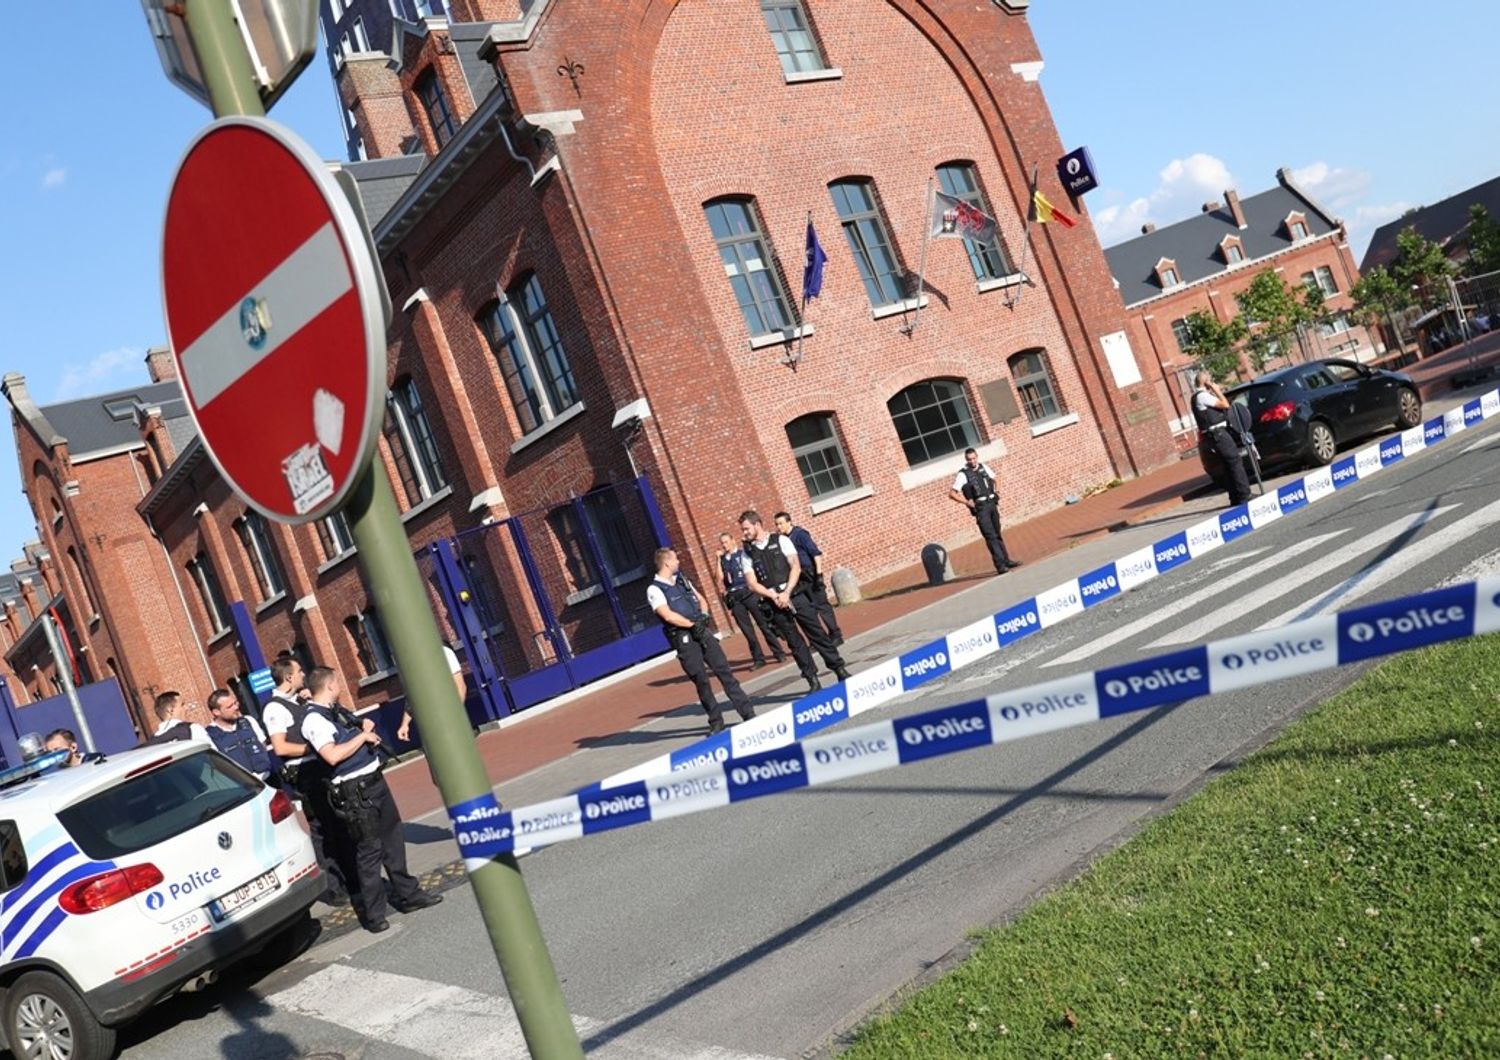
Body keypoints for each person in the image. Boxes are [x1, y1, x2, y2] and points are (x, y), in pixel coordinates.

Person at [299, 666, 441, 933]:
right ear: (329, 685)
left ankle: (408, 894)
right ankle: (374, 914)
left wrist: (362, 729)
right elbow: (331, 755)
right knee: (369, 852)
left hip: (374, 782)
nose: (339, 686)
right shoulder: (314, 720)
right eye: (337, 682)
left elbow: (347, 737)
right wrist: (362, 737)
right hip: (356, 793)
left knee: (393, 839)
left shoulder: (334, 711)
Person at [263, 657, 349, 906]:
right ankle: (332, 887)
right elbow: (280, 747)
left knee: (335, 824)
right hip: (305, 777)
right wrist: (313, 748)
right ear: (288, 677)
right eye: (300, 671)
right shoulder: (275, 708)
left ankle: (347, 877)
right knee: (322, 830)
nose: (303, 675)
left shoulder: (298, 701)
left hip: (319, 771)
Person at [648, 548, 757, 735]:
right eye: (675, 559)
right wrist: (691, 625)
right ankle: (716, 721)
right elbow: (667, 615)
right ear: (666, 563)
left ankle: (747, 713)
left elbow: (701, 599)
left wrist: (704, 617)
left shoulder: (682, 580)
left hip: (701, 631)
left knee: (724, 671)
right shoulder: (655, 589)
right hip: (684, 637)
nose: (678, 561)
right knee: (701, 680)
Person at [739, 510, 851, 690]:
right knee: (795, 643)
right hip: (773, 602)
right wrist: (774, 596)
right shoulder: (748, 554)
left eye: (746, 529)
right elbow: (752, 583)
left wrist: (787, 592)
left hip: (795, 595)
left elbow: (795, 567)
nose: (744, 533)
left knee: (817, 633)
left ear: (757, 524)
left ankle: (839, 669)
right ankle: (812, 679)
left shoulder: (781, 540)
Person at [773, 512, 843, 646]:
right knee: (808, 610)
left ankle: (835, 633)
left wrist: (818, 574)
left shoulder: (800, 535)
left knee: (822, 605)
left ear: (789, 522)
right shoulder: (782, 540)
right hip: (798, 577)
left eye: (781, 523)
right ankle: (819, 639)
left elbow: (815, 553)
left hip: (809, 573)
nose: (778, 526)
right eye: (776, 524)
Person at [717, 531, 784, 669]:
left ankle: (778, 652)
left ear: (732, 540)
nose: (724, 545)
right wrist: (718, 560)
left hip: (748, 592)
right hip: (735, 596)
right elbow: (718, 578)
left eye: (726, 542)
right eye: (722, 543)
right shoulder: (723, 560)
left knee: (763, 624)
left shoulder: (743, 554)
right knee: (747, 630)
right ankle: (758, 658)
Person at [949, 448, 1021, 575]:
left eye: (974, 458)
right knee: (990, 536)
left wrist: (997, 491)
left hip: (991, 503)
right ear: (966, 460)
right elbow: (952, 493)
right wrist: (966, 502)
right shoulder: (963, 474)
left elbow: (996, 478)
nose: (972, 461)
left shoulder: (983, 467)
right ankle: (1000, 566)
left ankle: (1006, 560)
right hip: (981, 508)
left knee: (997, 534)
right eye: (969, 459)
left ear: (977, 457)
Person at [1192, 371, 1252, 506]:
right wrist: (1217, 390)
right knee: (1234, 461)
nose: (1213, 383)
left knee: (1227, 465)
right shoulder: (1202, 396)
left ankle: (1235, 497)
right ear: (1206, 382)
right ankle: (1244, 494)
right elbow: (1225, 404)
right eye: (1211, 380)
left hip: (1215, 435)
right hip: (1219, 434)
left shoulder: (1198, 397)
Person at [396, 643, 466, 744]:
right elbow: (413, 697)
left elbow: (460, 686)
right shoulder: (408, 661)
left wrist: (457, 715)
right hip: (429, 725)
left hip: (450, 715)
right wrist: (405, 724)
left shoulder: (443, 652)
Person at [204, 688, 276, 784]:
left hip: (269, 778)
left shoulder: (248, 721)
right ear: (216, 712)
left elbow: (262, 745)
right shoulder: (210, 735)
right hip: (245, 787)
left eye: (236, 703)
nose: (236, 707)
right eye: (230, 706)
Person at [145, 691, 212, 744]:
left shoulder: (152, 744)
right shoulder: (192, 729)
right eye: (182, 704)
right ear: (170, 710)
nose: (186, 707)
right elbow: (213, 756)